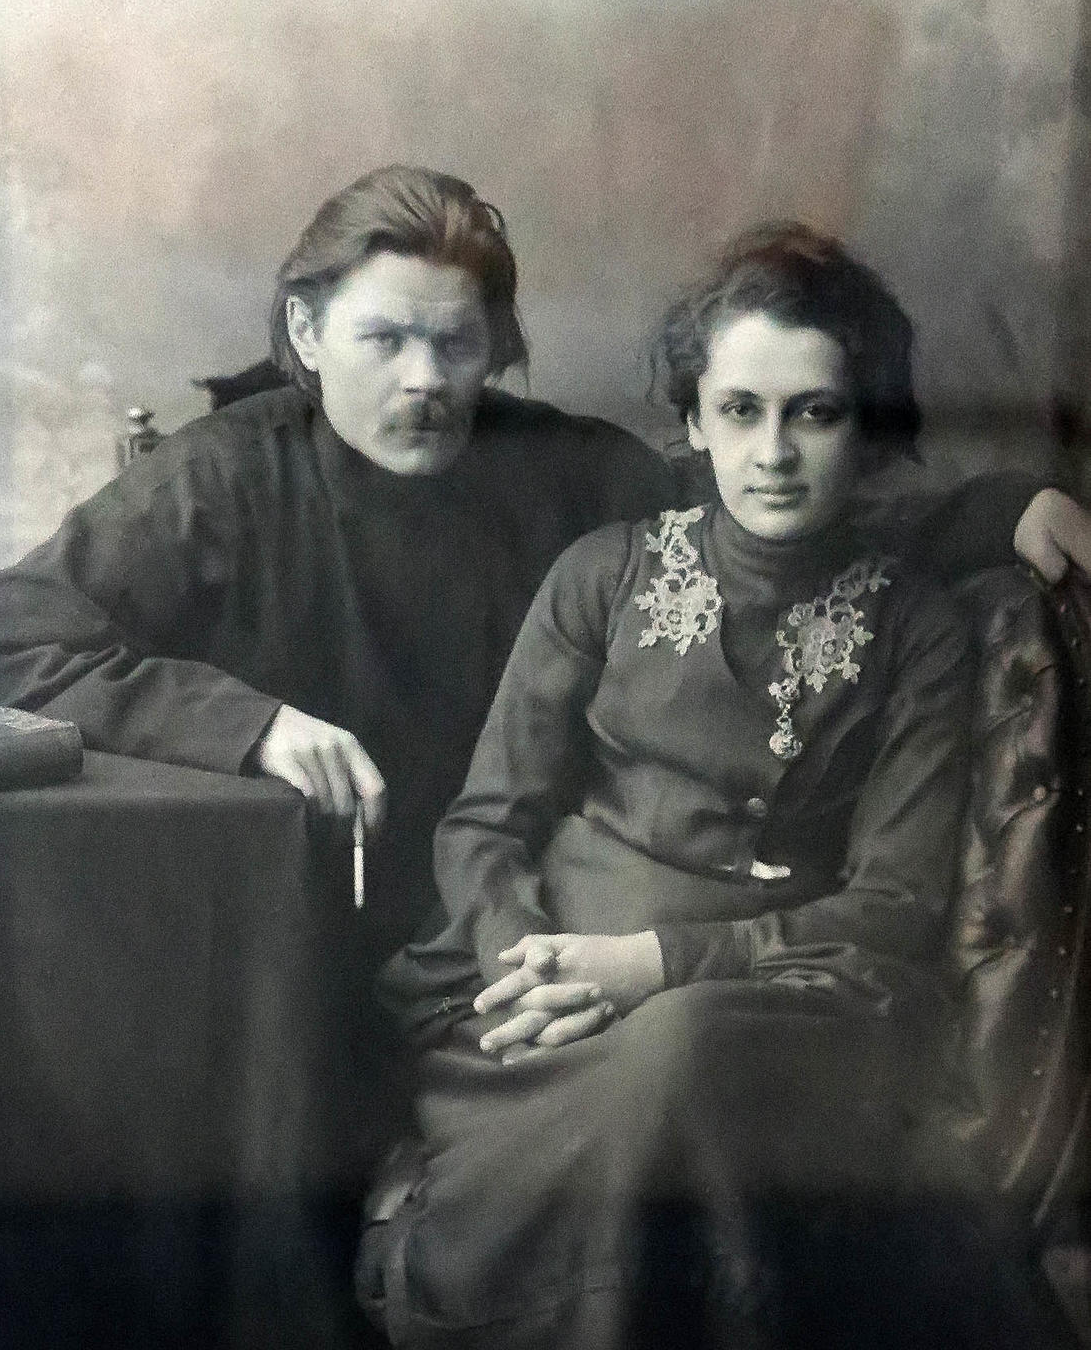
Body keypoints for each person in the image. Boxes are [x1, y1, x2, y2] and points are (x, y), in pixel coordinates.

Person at [376, 223, 1074, 1350]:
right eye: (740, 411)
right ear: (695, 423)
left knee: (683, 1055)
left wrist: (652, 966)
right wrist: (527, 970)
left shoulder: (913, 629)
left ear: (865, 427)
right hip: (544, 1001)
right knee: (647, 1075)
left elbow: (893, 901)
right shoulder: (601, 576)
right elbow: (486, 823)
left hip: (779, 1002)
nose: (774, 452)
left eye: (815, 413)